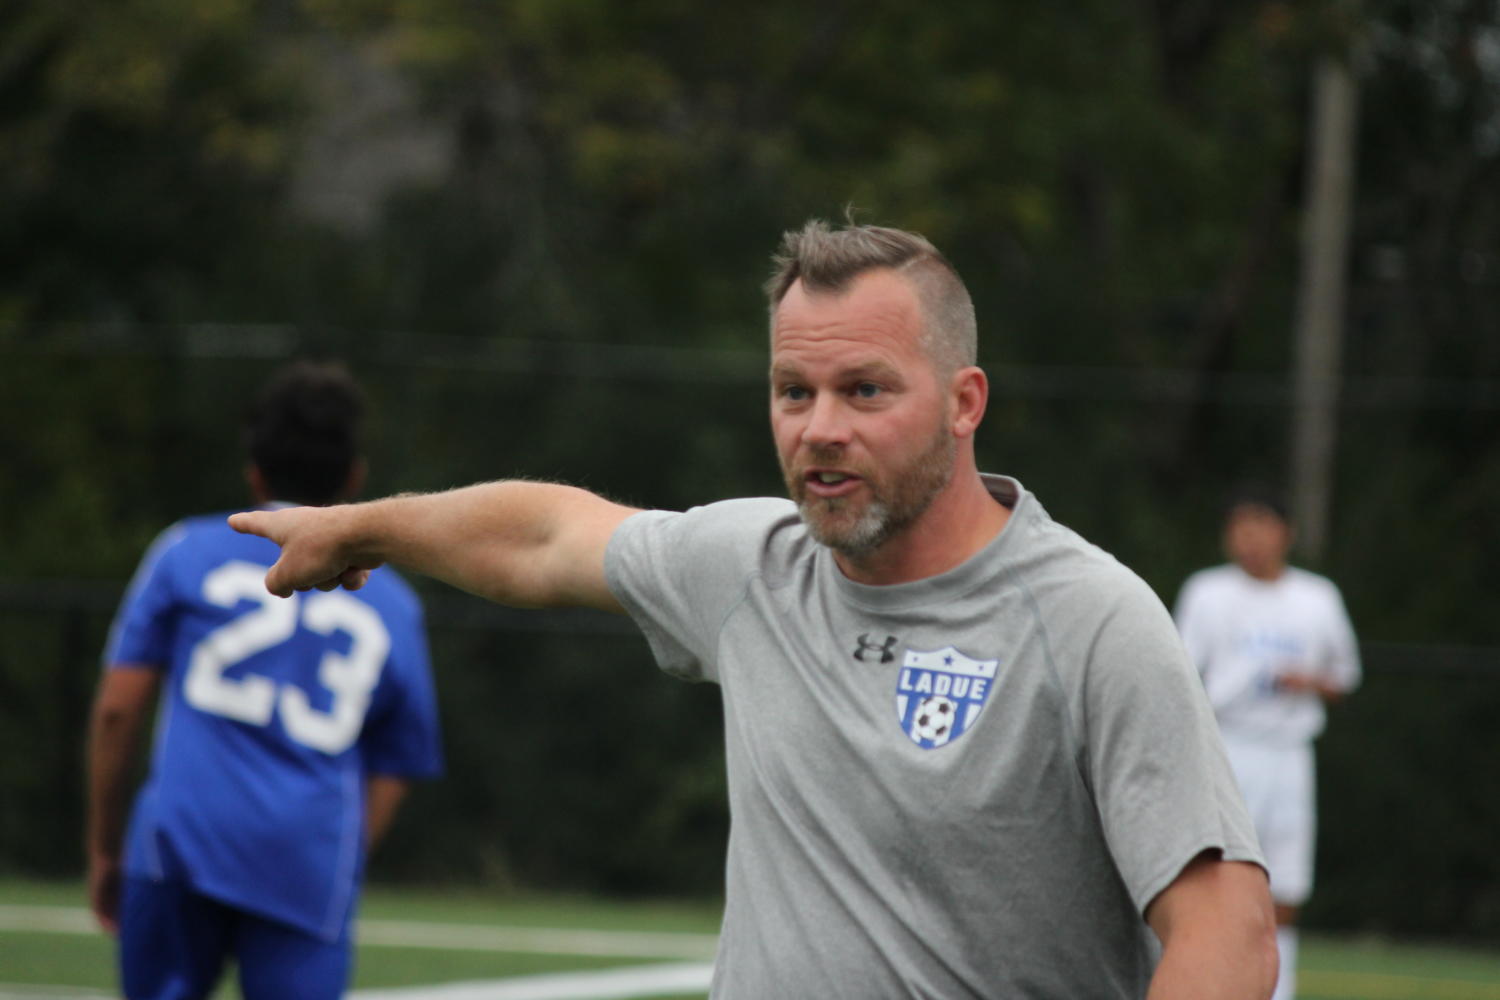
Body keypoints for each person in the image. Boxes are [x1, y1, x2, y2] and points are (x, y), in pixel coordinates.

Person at [231, 221, 1277, 998]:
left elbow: (1229, 940)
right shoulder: (752, 566)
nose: (820, 427)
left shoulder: (1093, 620)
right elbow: (548, 534)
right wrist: (362, 526)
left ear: (964, 403)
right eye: (792, 391)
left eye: (865, 390)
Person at [87, 360, 444, 1000]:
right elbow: (397, 763)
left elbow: (118, 711)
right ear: (355, 476)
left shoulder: (183, 552)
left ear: (253, 470)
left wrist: (105, 847)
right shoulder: (393, 603)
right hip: (305, 860)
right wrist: (340, 854)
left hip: (179, 846)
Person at [1174, 488, 1361, 1000]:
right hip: (1228, 748)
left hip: (1288, 755)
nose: (1250, 537)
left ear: (1286, 533)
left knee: (1288, 880)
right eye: (1239, 525)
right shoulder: (1207, 593)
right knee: (1218, 874)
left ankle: (1280, 988)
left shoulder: (1316, 597)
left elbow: (1344, 676)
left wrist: (1310, 682)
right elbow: (1182, 673)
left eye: (1260, 524)